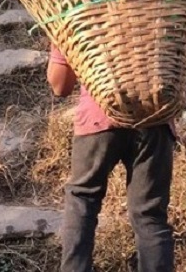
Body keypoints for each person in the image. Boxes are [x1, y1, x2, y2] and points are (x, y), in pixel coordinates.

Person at [46, 45, 175, 272]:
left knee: (82, 201)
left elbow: (61, 86)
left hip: (100, 114)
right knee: (150, 215)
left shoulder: (76, 12)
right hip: (154, 117)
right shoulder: (161, 9)